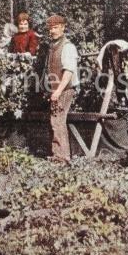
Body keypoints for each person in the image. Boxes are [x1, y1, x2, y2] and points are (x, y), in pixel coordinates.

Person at [42, 15, 79, 164]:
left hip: (65, 89)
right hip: (55, 89)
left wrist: (58, 91)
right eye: (50, 28)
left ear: (63, 27)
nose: (53, 30)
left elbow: (69, 72)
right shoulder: (52, 46)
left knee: (57, 121)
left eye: (56, 27)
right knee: (55, 121)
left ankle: (62, 157)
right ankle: (58, 154)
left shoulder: (68, 46)